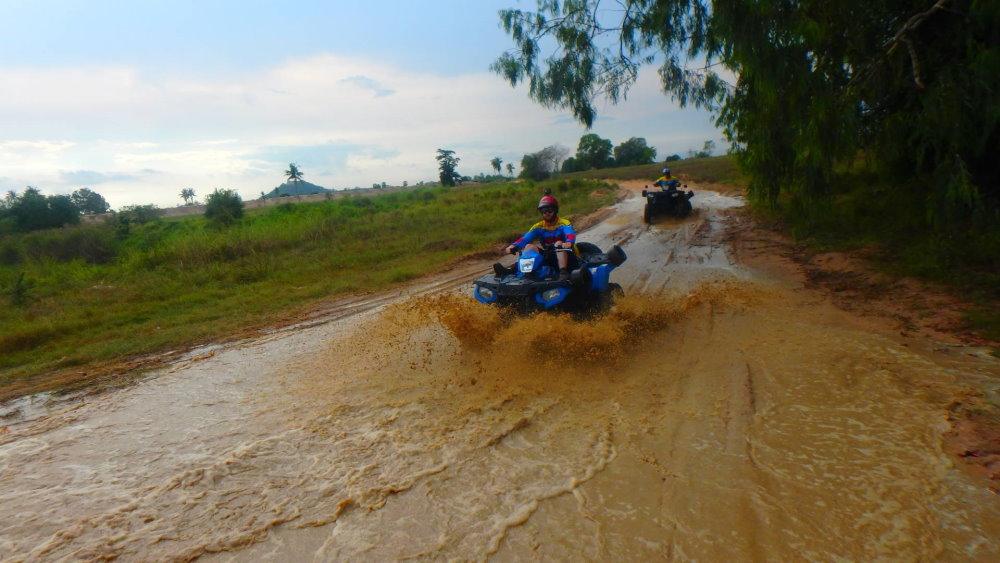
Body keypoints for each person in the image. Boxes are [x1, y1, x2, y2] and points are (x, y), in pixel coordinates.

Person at [495, 194, 577, 281]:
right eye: (544, 211)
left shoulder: (564, 223)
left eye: (549, 211)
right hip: (549, 256)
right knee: (529, 246)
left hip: (569, 256)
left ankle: (563, 273)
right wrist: (513, 246)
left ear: (555, 210)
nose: (547, 214)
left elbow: (570, 234)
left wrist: (568, 242)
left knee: (558, 243)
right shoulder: (538, 226)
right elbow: (526, 238)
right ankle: (525, 273)